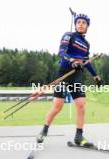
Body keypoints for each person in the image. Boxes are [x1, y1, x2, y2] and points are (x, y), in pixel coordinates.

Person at [37, 13, 101, 147]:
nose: (81, 24)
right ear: (75, 24)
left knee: (82, 106)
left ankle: (79, 136)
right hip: (64, 74)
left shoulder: (86, 44)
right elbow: (61, 52)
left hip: (76, 76)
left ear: (87, 26)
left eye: (84, 23)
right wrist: (72, 61)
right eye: (79, 22)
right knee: (58, 106)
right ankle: (44, 130)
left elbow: (86, 61)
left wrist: (95, 76)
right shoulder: (69, 35)